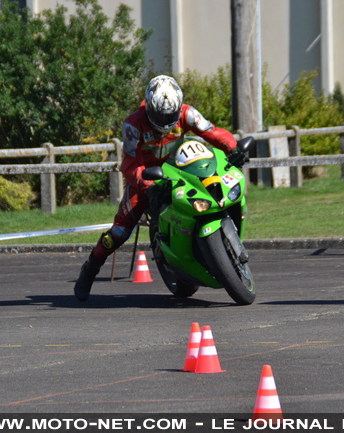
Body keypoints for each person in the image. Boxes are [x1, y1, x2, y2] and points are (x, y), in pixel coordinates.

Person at [73, 75, 239, 301]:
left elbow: (213, 132)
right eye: (160, 115)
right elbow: (130, 163)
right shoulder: (133, 124)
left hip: (181, 172)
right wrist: (148, 187)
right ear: (150, 107)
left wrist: (233, 148)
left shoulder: (187, 113)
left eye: (170, 115)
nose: (165, 120)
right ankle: (90, 268)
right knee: (119, 232)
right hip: (147, 178)